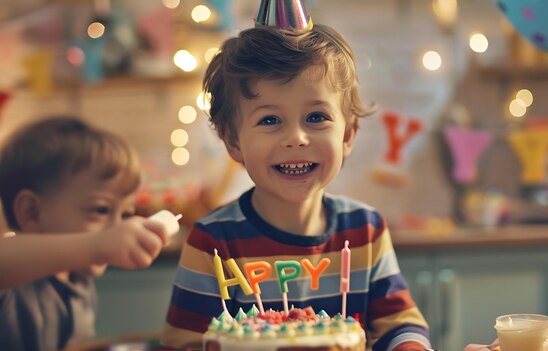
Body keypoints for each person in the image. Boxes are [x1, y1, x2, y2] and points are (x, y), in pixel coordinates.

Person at [161, 4, 432, 351]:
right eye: (270, 120)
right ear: (233, 141)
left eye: (316, 117)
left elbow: (402, 326)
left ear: (348, 135)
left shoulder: (365, 231)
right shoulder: (212, 242)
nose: (297, 138)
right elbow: (182, 344)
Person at [0, 116, 169, 350]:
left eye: (126, 214)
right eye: (101, 210)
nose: (118, 228)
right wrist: (96, 245)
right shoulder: (16, 287)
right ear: (32, 213)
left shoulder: (80, 282)